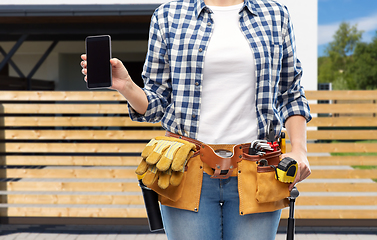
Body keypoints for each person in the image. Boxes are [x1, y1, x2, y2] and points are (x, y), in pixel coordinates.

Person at [81, 0, 312, 239]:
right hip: (187, 169)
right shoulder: (168, 15)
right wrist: (127, 86)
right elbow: (157, 103)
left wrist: (299, 150)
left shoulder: (275, 15)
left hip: (257, 169)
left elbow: (290, 92)